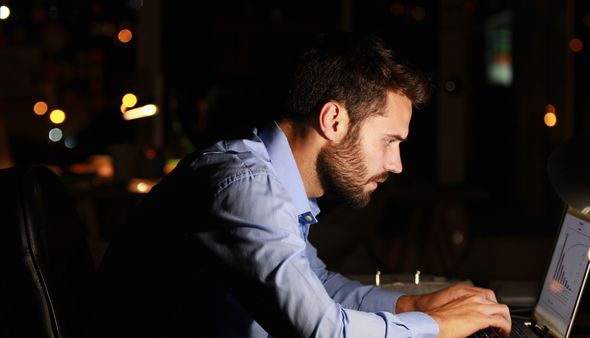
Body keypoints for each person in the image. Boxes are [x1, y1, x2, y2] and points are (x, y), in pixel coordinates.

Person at [90, 33, 511, 338]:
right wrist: (438, 327)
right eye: (389, 141)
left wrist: (414, 305)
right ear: (333, 120)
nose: (397, 164)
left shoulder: (272, 181)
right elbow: (319, 330)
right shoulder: (244, 187)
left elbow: (318, 285)